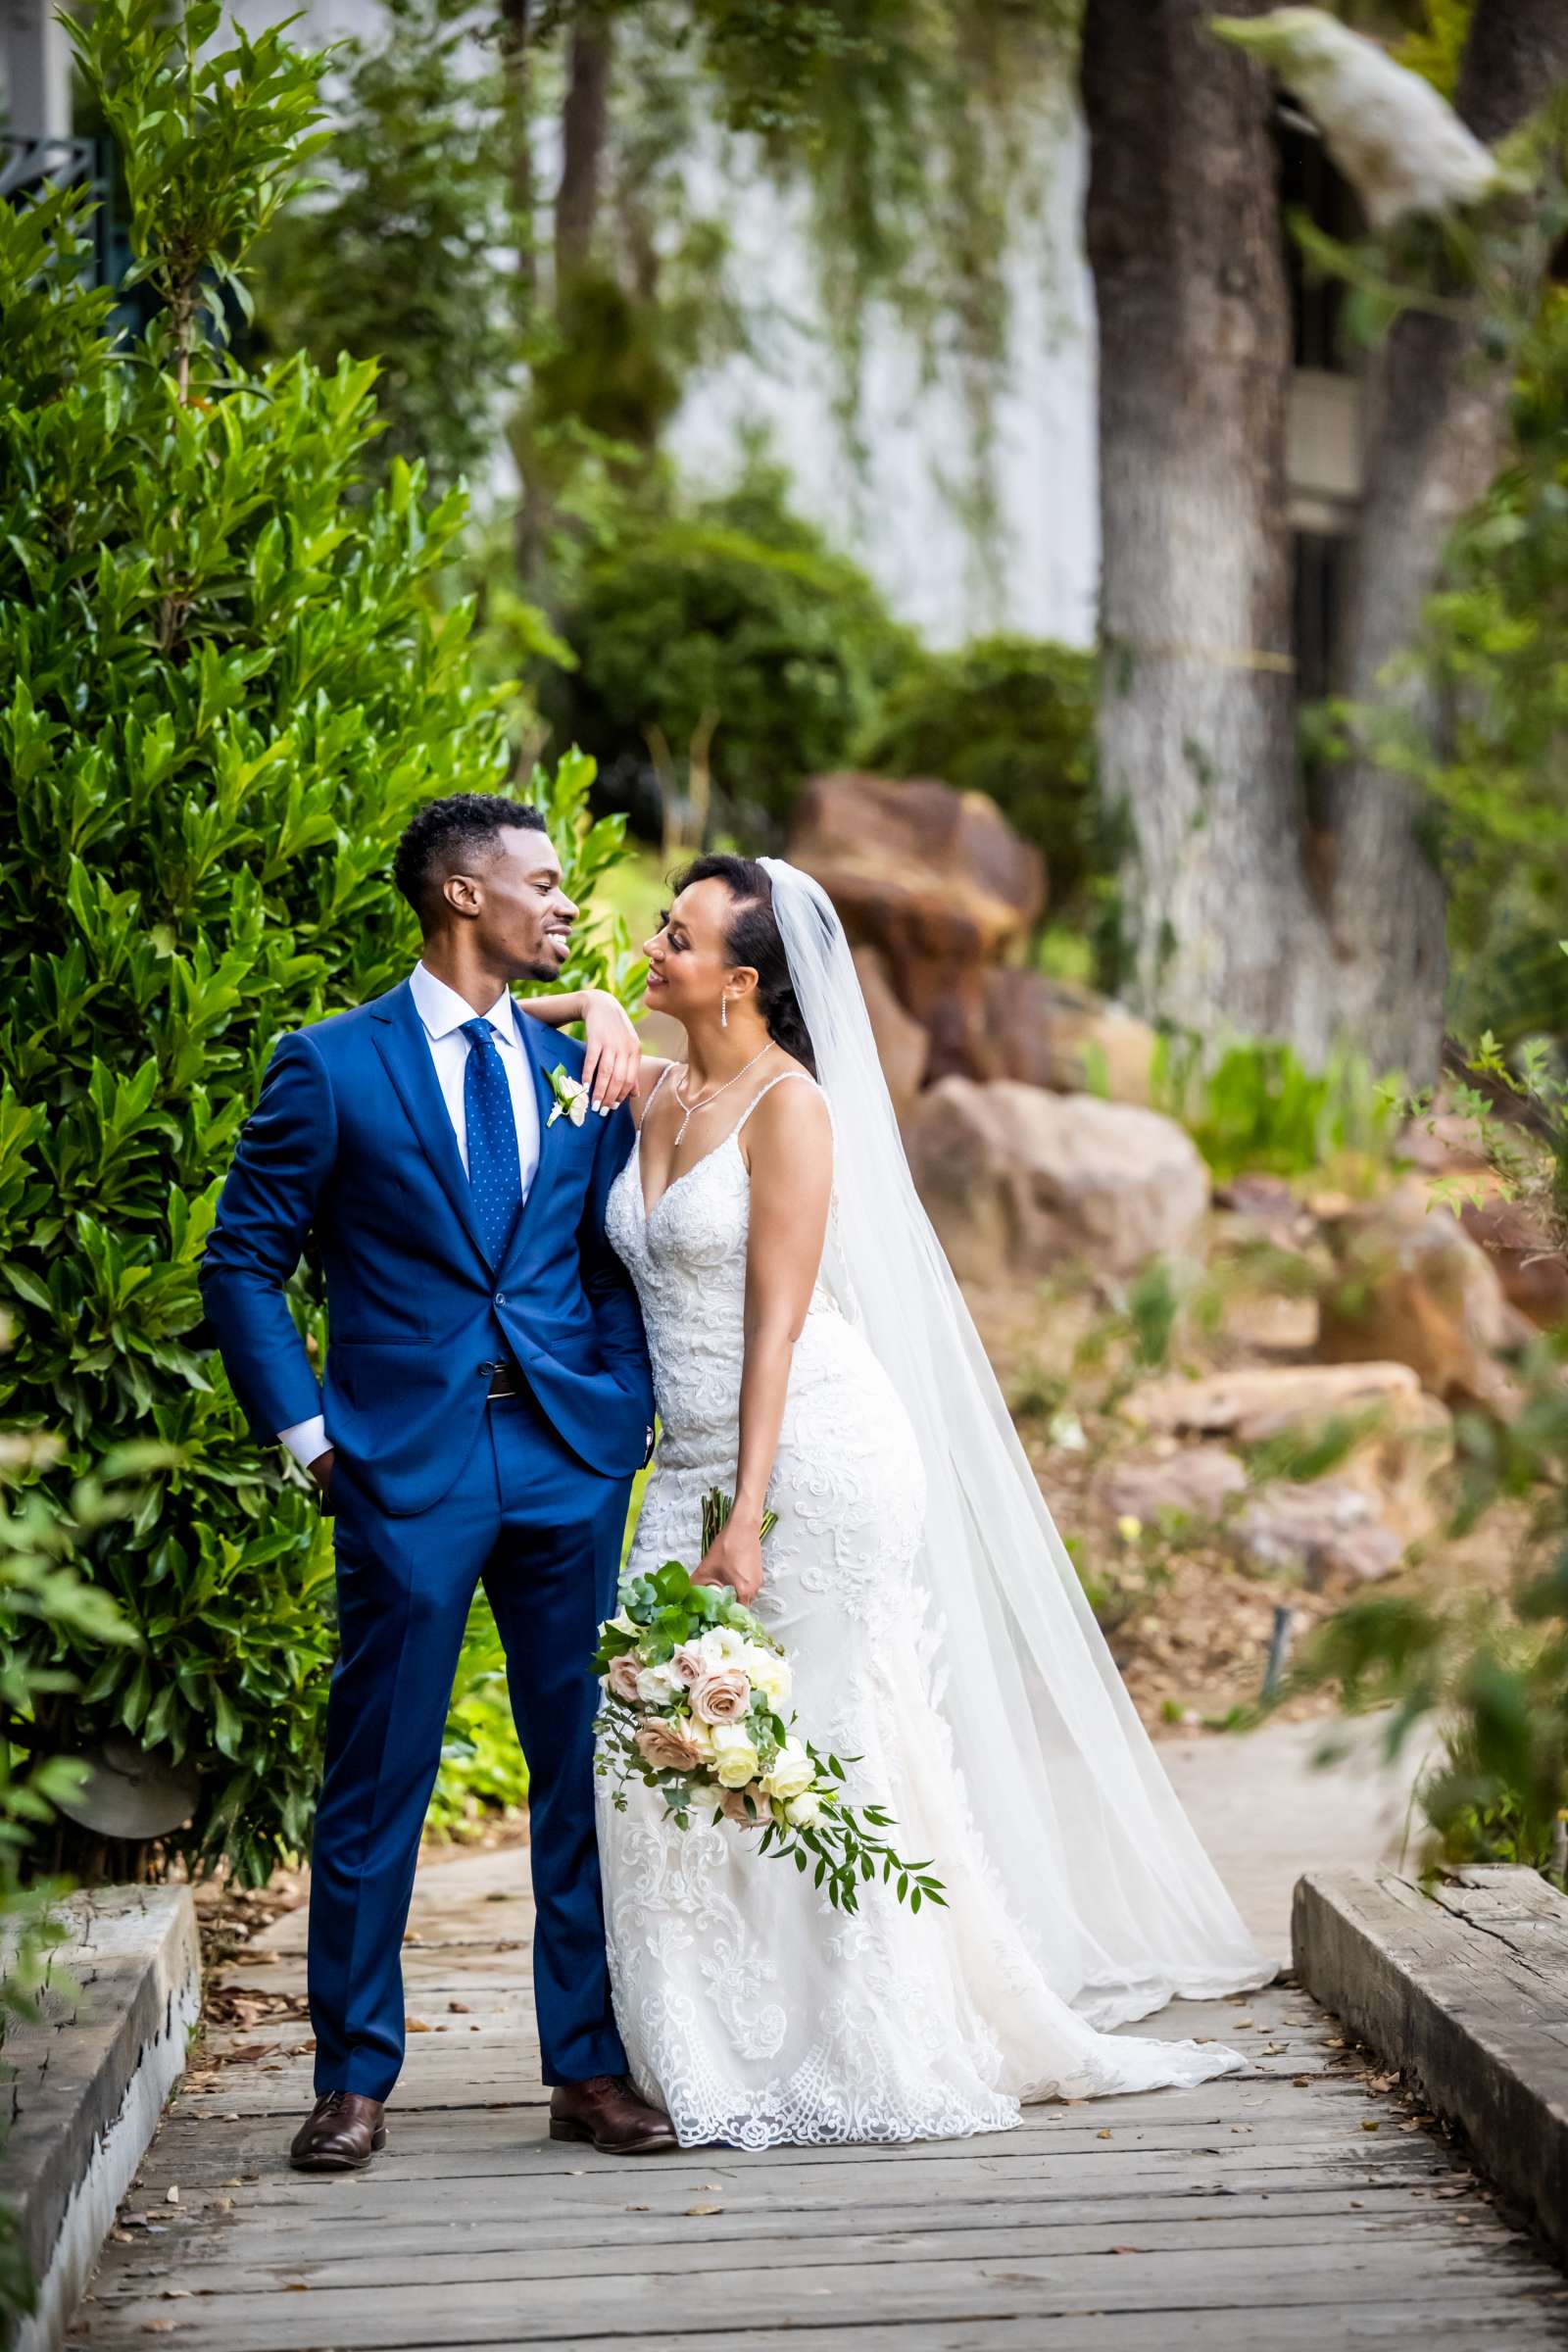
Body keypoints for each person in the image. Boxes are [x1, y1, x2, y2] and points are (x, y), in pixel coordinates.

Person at [593, 853, 1272, 2149]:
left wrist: (745, 1514)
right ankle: (717, 2047)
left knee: (825, 1751)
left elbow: (778, 1328)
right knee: (657, 1754)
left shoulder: (793, 1110)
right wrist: (597, 1009)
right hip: (682, 1468)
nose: (649, 947)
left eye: (674, 939)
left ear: (745, 979)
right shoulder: (662, 1089)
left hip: (811, 1463)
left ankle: (868, 2042)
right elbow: (506, 1016)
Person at [199, 794, 677, 2170]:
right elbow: (241, 1262)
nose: (565, 902)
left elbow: (595, 1255)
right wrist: (312, 1441)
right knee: (379, 1778)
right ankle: (351, 2079)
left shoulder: (573, 1057)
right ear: (464, 896)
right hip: (401, 1470)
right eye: (541, 881)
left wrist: (620, 1406)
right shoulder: (333, 1066)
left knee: (578, 1769)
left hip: (567, 1462)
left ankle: (584, 2068)